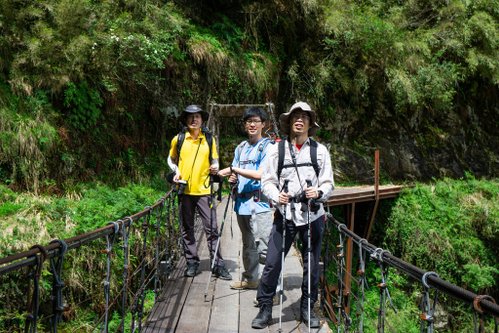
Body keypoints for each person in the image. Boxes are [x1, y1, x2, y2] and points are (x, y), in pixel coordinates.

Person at [251, 101, 334, 329]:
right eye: (295, 116)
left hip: (312, 216)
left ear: (310, 123)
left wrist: (318, 191)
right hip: (285, 214)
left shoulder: (320, 151)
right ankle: (265, 307)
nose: (299, 120)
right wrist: (277, 196)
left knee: (312, 265)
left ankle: (307, 308)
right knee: (272, 262)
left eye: (304, 117)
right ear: (288, 122)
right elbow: (267, 181)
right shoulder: (276, 150)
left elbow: (328, 183)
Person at [168, 104, 232, 280]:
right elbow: (171, 159)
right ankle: (192, 263)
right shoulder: (179, 139)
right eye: (190, 116)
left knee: (211, 228)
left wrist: (215, 167)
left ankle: (217, 264)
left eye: (197, 116)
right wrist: (176, 172)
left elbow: (215, 160)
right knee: (187, 228)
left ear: (202, 120)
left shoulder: (209, 139)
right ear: (186, 120)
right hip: (185, 191)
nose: (194, 119)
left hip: (204, 190)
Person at [217, 107, 273, 290]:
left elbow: (260, 174)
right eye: (248, 121)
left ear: (263, 124)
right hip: (242, 204)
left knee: (264, 247)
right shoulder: (241, 148)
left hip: (260, 202)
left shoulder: (269, 147)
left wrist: (234, 170)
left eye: (256, 121)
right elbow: (235, 171)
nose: (252, 124)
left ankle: (268, 288)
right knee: (248, 244)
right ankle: (251, 279)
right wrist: (233, 178)